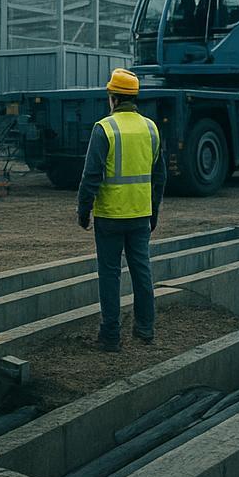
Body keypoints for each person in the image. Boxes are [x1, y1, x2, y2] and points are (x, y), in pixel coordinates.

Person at [77, 68, 167, 351]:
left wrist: (84, 211)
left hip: (110, 216)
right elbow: (159, 176)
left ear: (113, 97)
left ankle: (110, 336)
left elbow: (91, 175)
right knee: (142, 271)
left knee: (110, 274)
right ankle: (145, 329)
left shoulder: (104, 128)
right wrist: (153, 212)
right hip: (140, 215)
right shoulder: (151, 128)